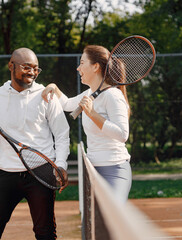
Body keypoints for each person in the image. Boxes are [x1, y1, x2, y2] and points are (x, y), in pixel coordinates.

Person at [0, 47, 70, 240]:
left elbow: (62, 134)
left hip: (40, 172)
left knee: (45, 233)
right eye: (26, 67)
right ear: (11, 66)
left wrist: (60, 165)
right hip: (5, 173)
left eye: (36, 68)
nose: (32, 72)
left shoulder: (46, 95)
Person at [42, 45, 132, 203]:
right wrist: (54, 88)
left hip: (114, 169)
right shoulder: (89, 94)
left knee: (111, 220)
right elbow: (67, 104)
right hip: (92, 170)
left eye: (82, 63)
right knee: (96, 224)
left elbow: (122, 135)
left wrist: (92, 113)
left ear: (95, 66)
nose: (78, 68)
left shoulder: (113, 95)